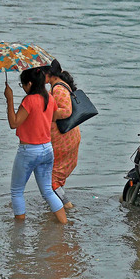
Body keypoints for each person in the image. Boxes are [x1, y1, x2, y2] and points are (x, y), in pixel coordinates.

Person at [4, 67, 67, 224]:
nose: (23, 88)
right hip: (47, 149)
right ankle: (64, 224)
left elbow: (14, 123)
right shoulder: (49, 98)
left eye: (23, 85)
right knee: (47, 191)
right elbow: (52, 118)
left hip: (29, 151)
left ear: (30, 84)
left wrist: (9, 99)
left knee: (17, 191)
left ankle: (18, 230)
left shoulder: (29, 101)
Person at [44, 59, 81, 209]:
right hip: (67, 137)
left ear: (49, 74)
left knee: (51, 180)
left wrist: (46, 113)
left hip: (63, 140)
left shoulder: (58, 88)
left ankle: (67, 207)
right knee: (55, 178)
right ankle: (58, 207)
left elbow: (66, 111)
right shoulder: (58, 85)